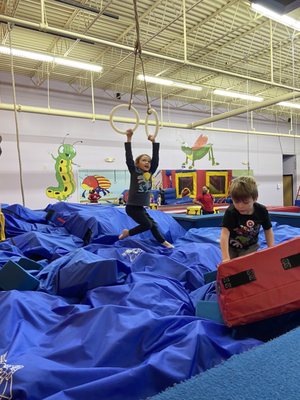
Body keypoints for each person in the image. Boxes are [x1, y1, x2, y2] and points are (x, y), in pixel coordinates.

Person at [118, 129, 174, 248]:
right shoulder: (134, 171)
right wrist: (129, 138)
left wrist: (154, 142)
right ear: (137, 163)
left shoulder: (150, 172)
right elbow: (129, 157)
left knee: (153, 225)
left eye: (148, 161)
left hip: (141, 208)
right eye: (144, 160)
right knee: (147, 225)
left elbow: (156, 160)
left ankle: (163, 242)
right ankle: (127, 233)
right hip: (132, 207)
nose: (147, 162)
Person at [220, 176, 274, 262]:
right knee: (231, 266)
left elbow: (268, 230)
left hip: (250, 246)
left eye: (246, 202)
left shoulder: (261, 210)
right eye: (236, 202)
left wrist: (271, 249)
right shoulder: (231, 212)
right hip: (232, 246)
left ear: (255, 198)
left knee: (244, 263)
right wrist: (226, 258)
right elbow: (224, 234)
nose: (240, 206)